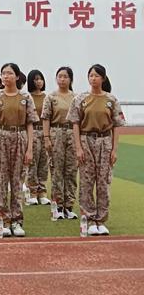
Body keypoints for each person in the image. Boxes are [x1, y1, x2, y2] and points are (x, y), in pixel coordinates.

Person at [67, 64, 125, 236]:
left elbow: (116, 126)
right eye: (91, 75)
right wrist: (78, 147)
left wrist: (114, 149)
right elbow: (75, 124)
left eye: (97, 76)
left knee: (103, 182)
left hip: (105, 141)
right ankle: (89, 218)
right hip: (86, 140)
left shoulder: (111, 100)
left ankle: (101, 220)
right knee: (86, 181)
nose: (93, 78)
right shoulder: (80, 99)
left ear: (103, 78)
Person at [0, 63, 38, 237]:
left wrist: (30, 149)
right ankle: (3, 219)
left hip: (20, 137)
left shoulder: (25, 97)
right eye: (3, 73)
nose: (6, 76)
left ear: (17, 76)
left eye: (9, 73)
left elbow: (30, 123)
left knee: (17, 181)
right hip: (1, 137)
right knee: (1, 180)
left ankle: (17, 220)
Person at [41, 67, 77, 219]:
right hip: (56, 133)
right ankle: (57, 205)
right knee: (56, 170)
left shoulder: (76, 98)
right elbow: (46, 118)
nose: (62, 79)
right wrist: (47, 137)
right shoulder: (51, 97)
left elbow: (78, 120)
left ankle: (68, 205)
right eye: (59, 76)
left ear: (70, 79)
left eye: (65, 77)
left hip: (72, 134)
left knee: (71, 170)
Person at [26, 69, 50, 205]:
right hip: (32, 131)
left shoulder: (47, 97)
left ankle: (42, 192)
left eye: (40, 79)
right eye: (35, 79)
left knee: (44, 163)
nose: (38, 81)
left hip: (44, 131)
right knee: (32, 163)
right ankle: (32, 191)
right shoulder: (27, 97)